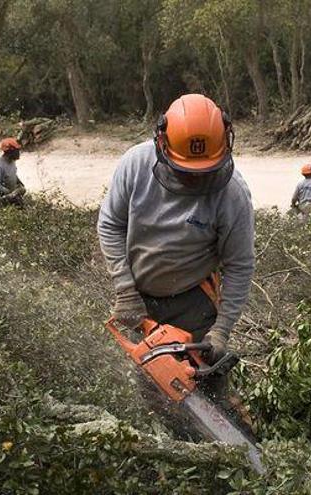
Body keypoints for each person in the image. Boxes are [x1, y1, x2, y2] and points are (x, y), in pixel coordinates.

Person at [97, 94, 255, 406]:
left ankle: (224, 445)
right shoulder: (135, 165)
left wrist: (220, 331)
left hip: (192, 301)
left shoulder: (232, 193)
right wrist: (125, 290)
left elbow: (239, 264)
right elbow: (110, 225)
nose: (195, 179)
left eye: (204, 171)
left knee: (206, 390)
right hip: (137, 295)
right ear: (162, 144)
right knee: (146, 391)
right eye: (186, 171)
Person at [0, 138, 27, 205]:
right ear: (10, 151)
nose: (18, 153)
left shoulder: (12, 162)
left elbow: (12, 174)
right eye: (17, 151)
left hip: (12, 195)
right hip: (4, 198)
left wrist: (19, 183)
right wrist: (9, 192)